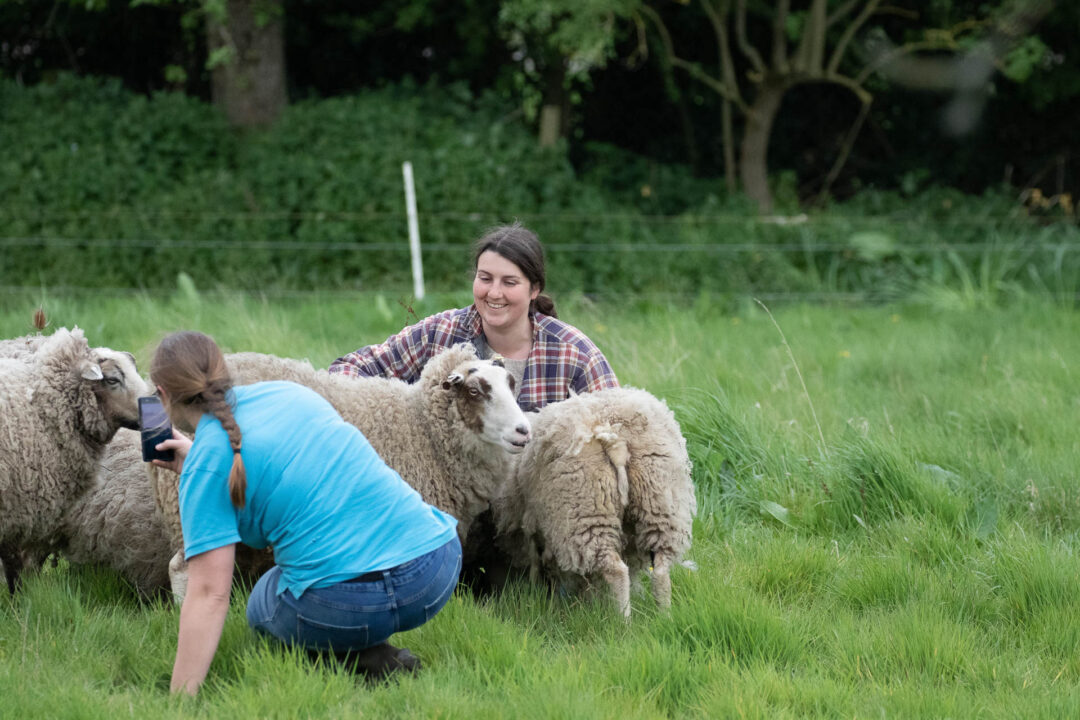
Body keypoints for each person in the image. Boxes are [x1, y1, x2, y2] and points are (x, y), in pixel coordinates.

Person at [150, 331, 461, 696]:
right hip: (436, 566)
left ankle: (365, 655)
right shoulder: (288, 393)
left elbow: (208, 594)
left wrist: (178, 699)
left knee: (265, 602)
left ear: (162, 395)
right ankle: (367, 638)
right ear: (223, 370)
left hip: (357, 601)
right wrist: (200, 462)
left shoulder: (209, 464)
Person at [328, 222, 618, 411]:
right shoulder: (439, 334)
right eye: (485, 278)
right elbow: (349, 368)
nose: (494, 293)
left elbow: (620, 420)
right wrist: (399, 417)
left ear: (534, 289)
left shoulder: (573, 353)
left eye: (509, 282)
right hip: (451, 495)